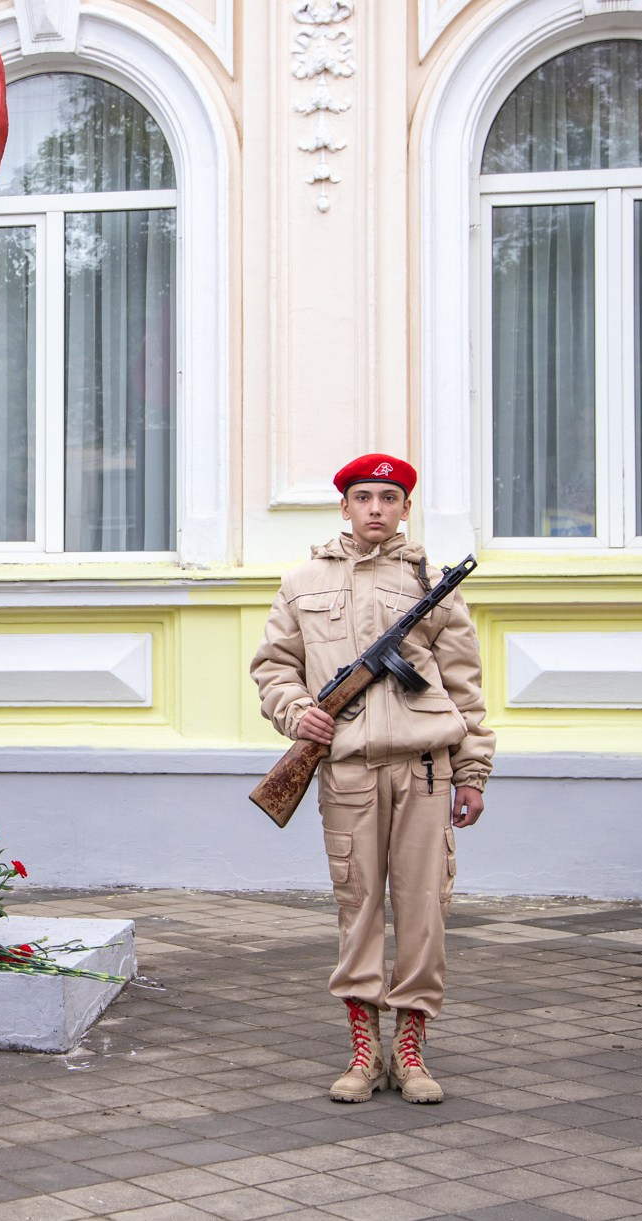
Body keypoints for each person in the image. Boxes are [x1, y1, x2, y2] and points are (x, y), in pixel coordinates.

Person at [249, 454, 493, 1104]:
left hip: (424, 770)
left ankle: (409, 1051)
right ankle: (364, 1050)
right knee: (358, 908)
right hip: (349, 772)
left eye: (389, 497)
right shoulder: (302, 582)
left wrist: (472, 772)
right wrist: (299, 712)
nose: (377, 508)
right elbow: (274, 665)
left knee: (422, 909)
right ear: (345, 507)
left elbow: (465, 686)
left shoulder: (434, 584)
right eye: (365, 497)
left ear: (406, 508)